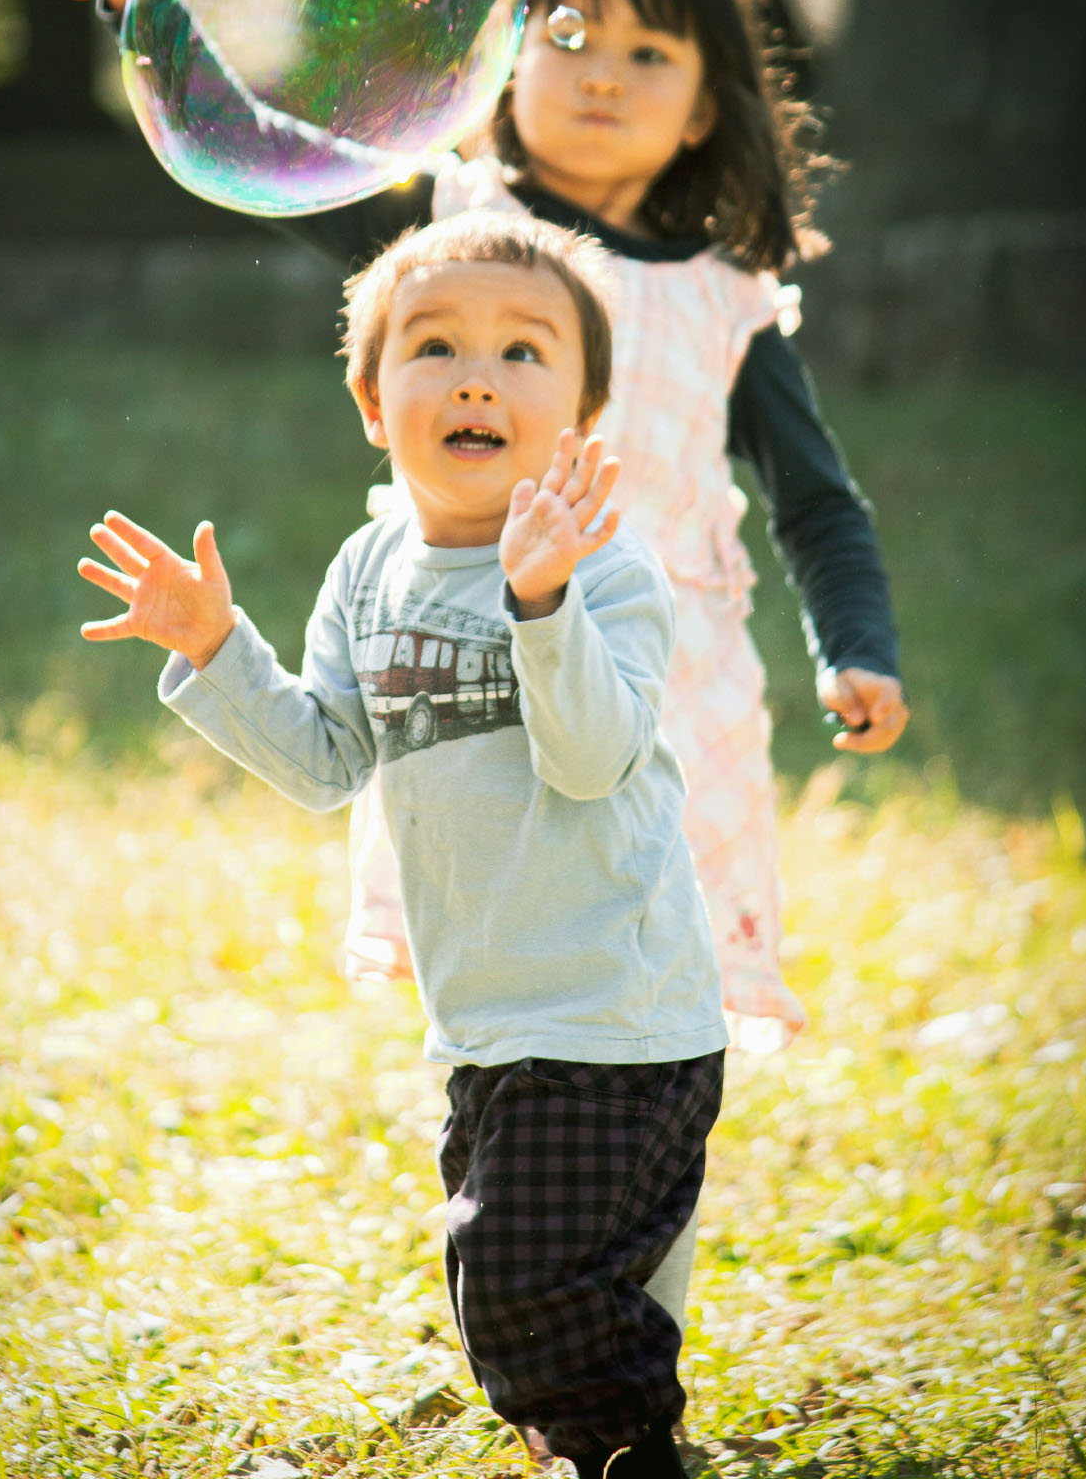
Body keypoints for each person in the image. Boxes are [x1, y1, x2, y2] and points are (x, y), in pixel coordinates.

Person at [29, 0, 908, 1056]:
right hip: (458, 645)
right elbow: (257, 137)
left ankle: (633, 1158)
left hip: (664, 679)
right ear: (501, 59)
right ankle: (518, 1140)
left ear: (704, 109)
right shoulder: (442, 223)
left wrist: (854, 644)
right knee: (497, 945)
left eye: (650, 54)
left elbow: (814, 502)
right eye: (571, 38)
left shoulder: (721, 299)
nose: (602, 74)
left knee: (652, 965)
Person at [77, 210, 728, 1479]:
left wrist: (538, 601)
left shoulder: (603, 570)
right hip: (486, 1018)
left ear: (581, 414)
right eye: (434, 347)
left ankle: (627, 1445)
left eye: (522, 353)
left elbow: (592, 758)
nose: (477, 375)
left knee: (510, 1273)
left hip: (615, 1012)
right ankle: (603, 1431)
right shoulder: (368, 568)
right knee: (558, 1265)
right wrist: (215, 648)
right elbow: (326, 762)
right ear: (374, 403)